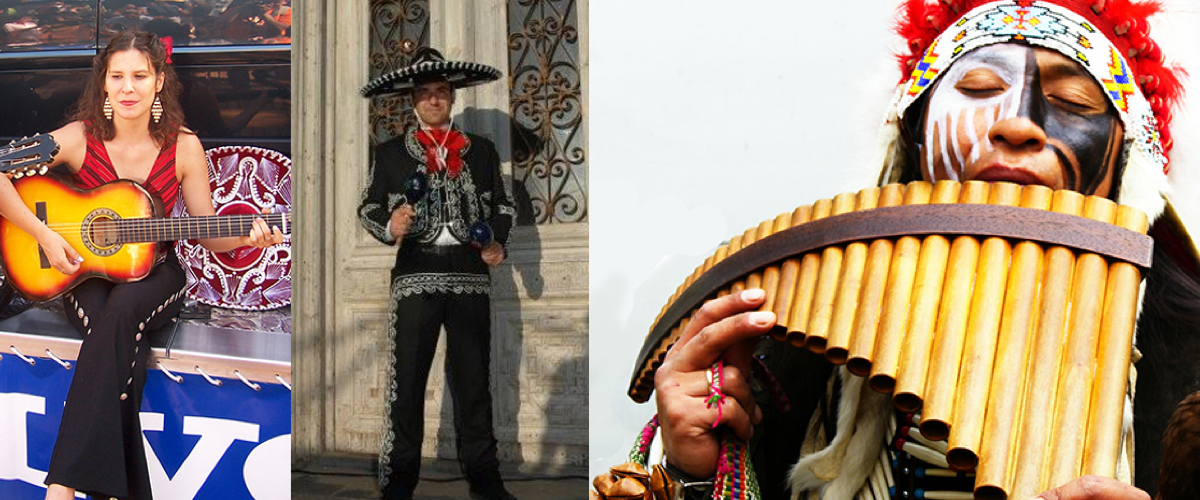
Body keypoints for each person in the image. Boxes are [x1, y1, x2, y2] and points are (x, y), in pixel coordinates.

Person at [642, 1, 1200, 499]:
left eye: (1073, 100)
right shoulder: (798, 344)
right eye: (980, 89)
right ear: (910, 141)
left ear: (1128, 168)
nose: (1017, 123)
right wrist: (700, 474)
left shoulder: (1191, 365)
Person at [0, 30, 284, 500]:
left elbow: (209, 234)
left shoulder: (183, 146)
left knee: (119, 315)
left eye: (139, 76)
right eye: (117, 77)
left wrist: (250, 234)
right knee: (117, 345)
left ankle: (62, 486)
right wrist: (45, 237)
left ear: (158, 82)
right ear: (104, 85)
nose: (128, 87)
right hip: (80, 268)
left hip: (157, 274)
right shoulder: (77, 138)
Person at [358, 47, 517, 500]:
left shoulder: (481, 152)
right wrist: (391, 226)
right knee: (406, 382)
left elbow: (503, 205)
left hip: (469, 274)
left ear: (452, 98)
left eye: (441, 93)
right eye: (425, 94)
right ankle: (399, 483)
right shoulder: (390, 154)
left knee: (474, 382)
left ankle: (486, 480)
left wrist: (497, 242)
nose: (433, 100)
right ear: (413, 100)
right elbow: (367, 207)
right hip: (415, 275)